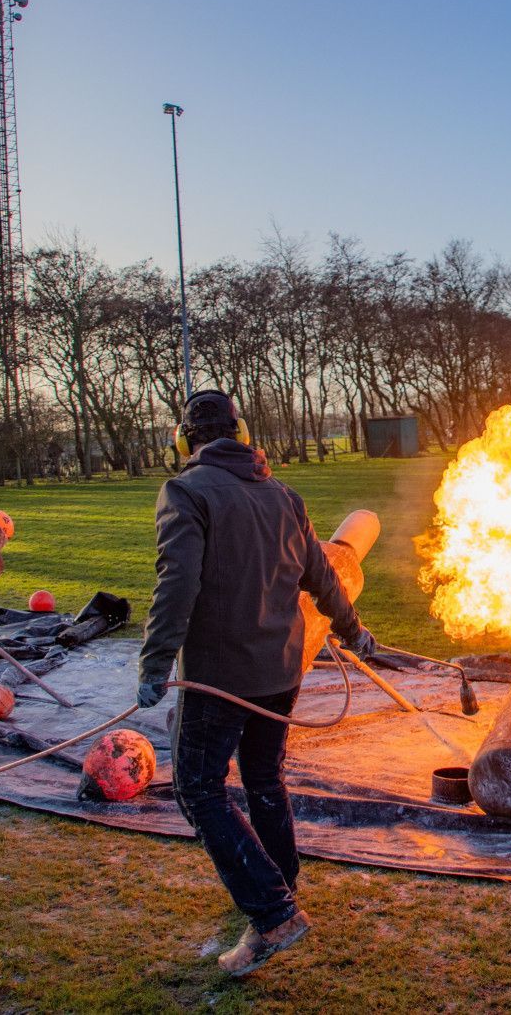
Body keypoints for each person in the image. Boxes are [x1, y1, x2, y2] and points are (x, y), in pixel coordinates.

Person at [136, 389, 376, 976]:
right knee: (263, 775)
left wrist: (154, 662)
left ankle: (273, 913)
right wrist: (354, 632)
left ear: (184, 441)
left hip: (222, 676)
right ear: (241, 436)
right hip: (280, 672)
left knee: (198, 789)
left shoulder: (185, 491)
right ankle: (280, 886)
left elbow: (177, 586)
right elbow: (322, 577)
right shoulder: (284, 495)